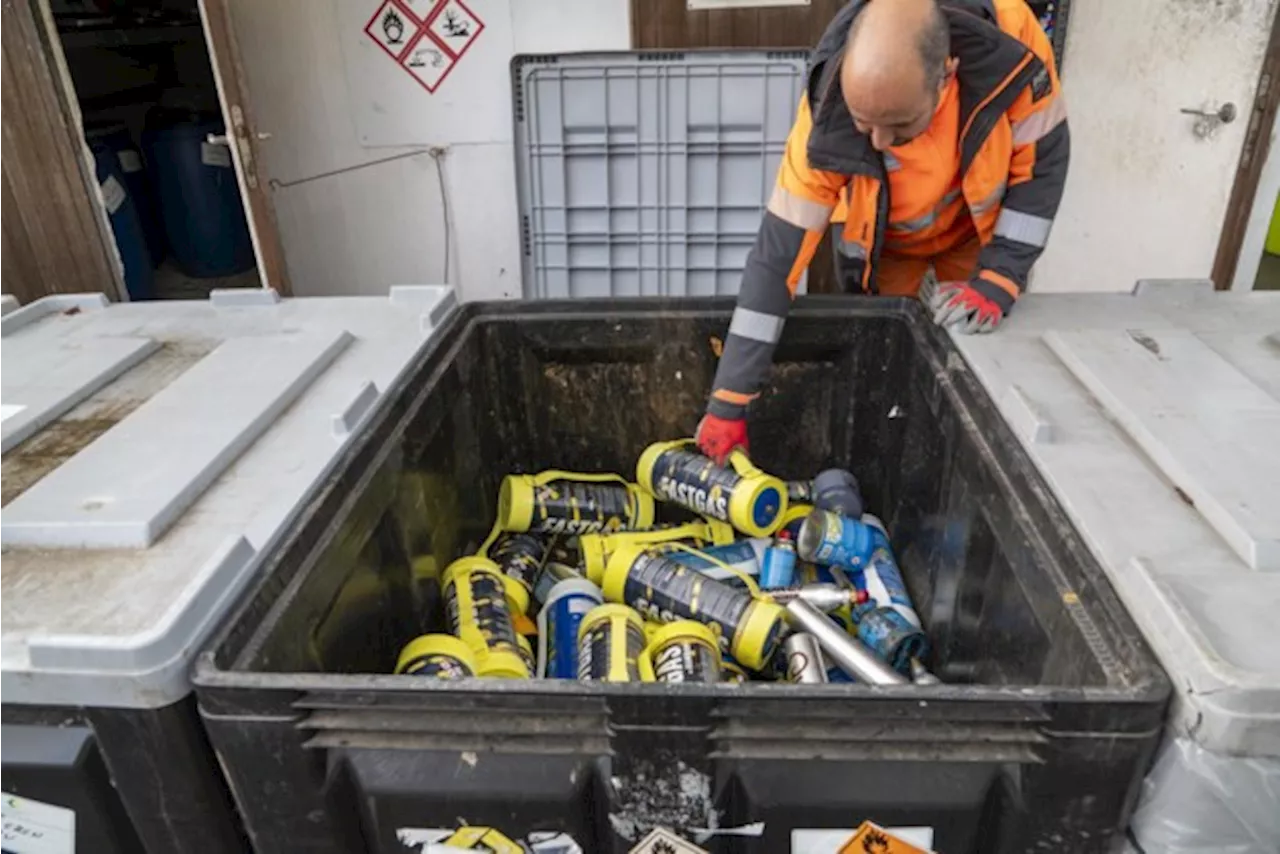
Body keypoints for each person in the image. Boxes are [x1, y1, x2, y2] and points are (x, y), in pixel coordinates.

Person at [696, 0, 1068, 463]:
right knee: (885, 366)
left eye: (899, 126)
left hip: (974, 240)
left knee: (969, 370)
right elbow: (778, 258)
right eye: (863, 123)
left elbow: (1042, 166)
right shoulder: (827, 108)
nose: (878, 143)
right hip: (885, 252)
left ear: (947, 76)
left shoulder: (1013, 48)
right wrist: (729, 401)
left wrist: (1001, 277)